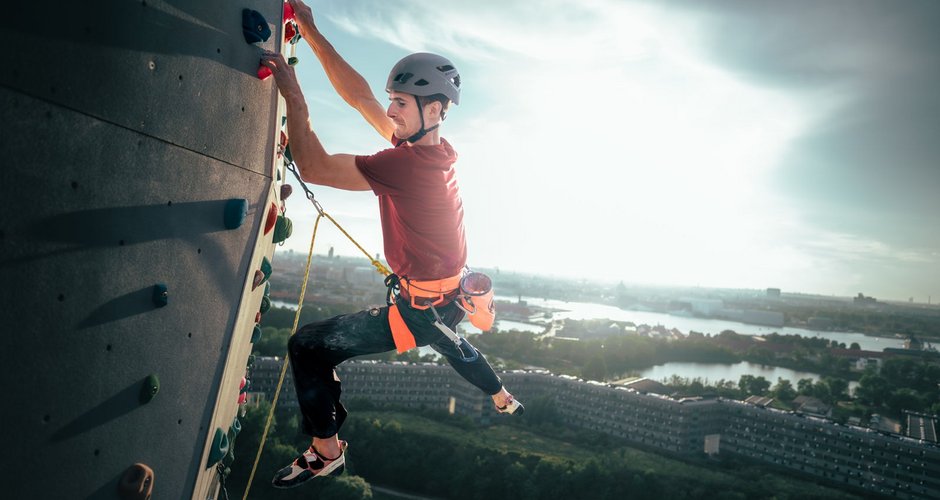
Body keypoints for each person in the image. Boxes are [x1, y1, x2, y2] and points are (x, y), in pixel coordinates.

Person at [260, 0, 523, 489]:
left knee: (307, 346)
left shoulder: (406, 167)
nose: (390, 110)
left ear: (435, 110)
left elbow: (314, 165)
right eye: (394, 100)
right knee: (334, 348)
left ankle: (326, 451)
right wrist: (311, 31)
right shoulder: (435, 153)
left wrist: (292, 92)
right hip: (441, 302)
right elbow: (361, 98)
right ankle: (498, 394)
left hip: (419, 314)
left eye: (400, 103)